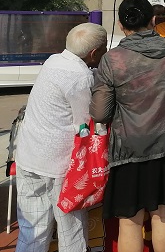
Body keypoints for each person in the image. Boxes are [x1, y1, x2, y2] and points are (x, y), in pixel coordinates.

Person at [91, 0, 165, 252]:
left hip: (130, 149)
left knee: (130, 219)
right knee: (164, 213)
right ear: (153, 21)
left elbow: (100, 113)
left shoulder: (113, 59)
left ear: (120, 24)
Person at [15, 22, 108, 252]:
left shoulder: (53, 61)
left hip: (29, 156)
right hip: (60, 165)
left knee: (32, 229)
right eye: (105, 48)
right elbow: (84, 124)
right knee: (71, 231)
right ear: (94, 53)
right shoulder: (80, 77)